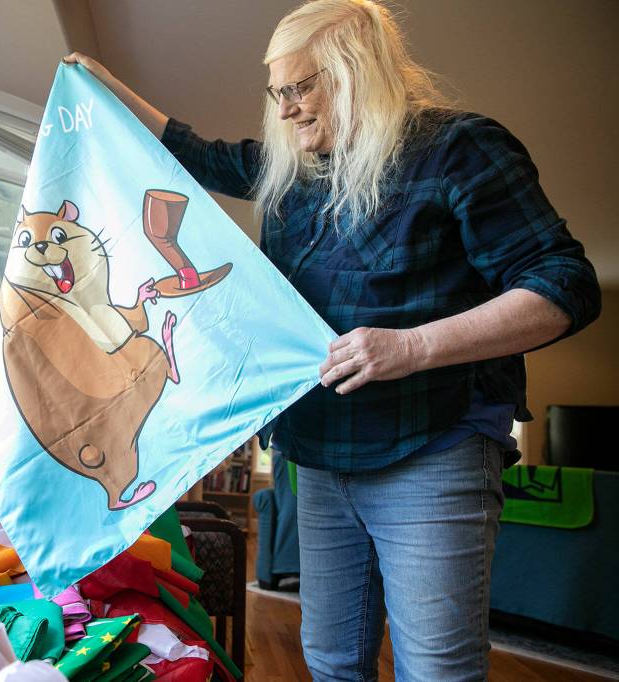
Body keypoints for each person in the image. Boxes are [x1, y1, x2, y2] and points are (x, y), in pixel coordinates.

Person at [64, 0, 601, 679]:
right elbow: (196, 154)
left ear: (356, 74)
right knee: (331, 660)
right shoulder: (295, 170)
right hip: (317, 456)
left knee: (436, 669)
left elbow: (565, 284)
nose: (285, 110)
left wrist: (412, 347)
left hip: (434, 449)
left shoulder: (460, 149)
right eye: (276, 93)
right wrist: (101, 84)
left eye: (300, 87)